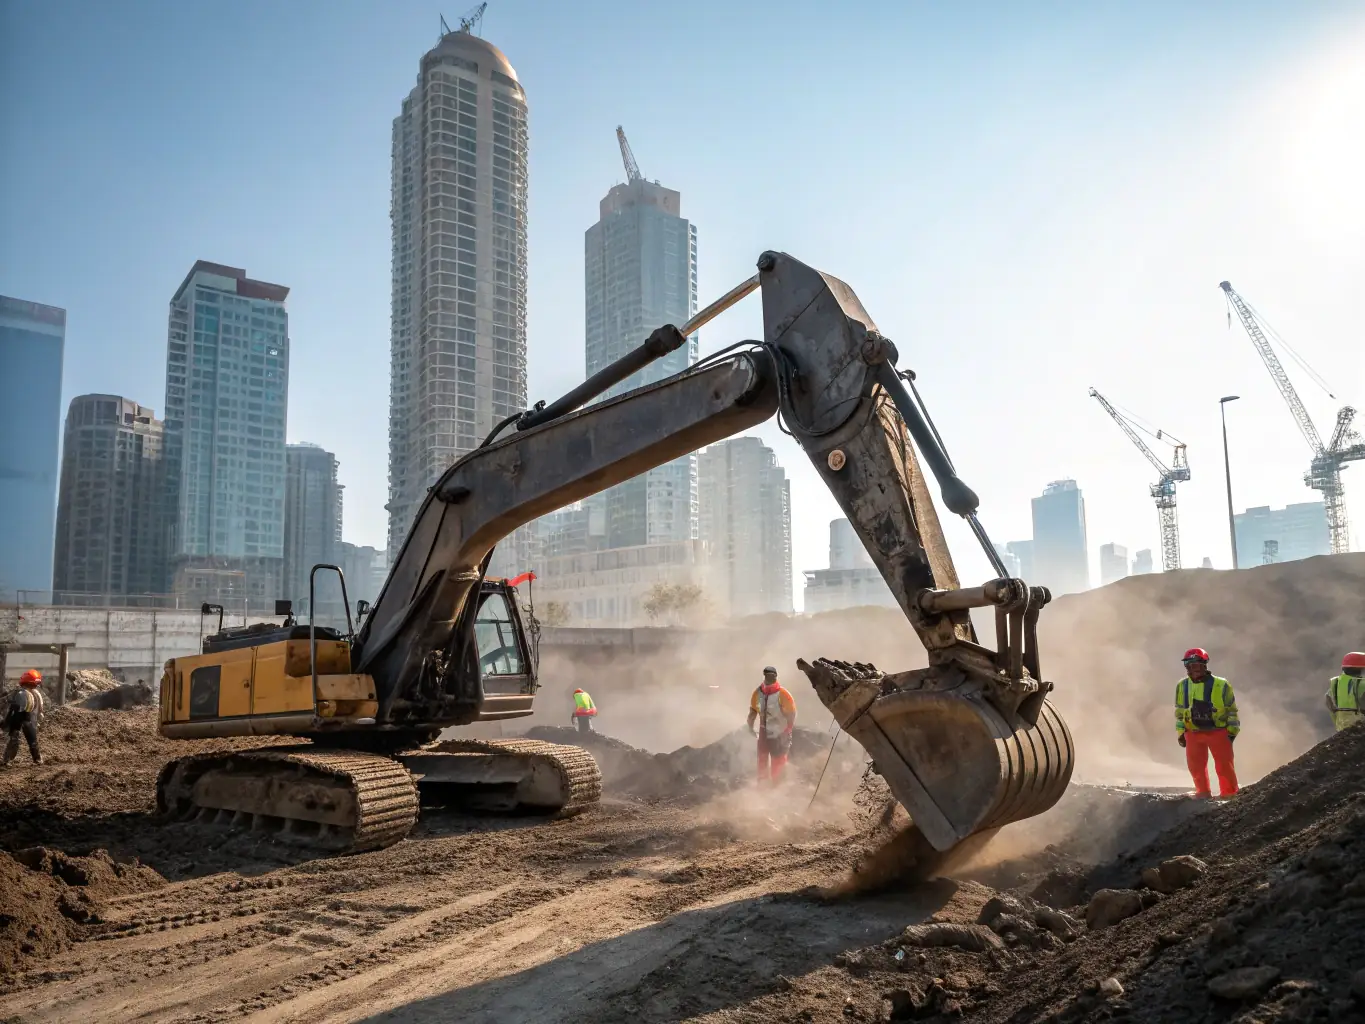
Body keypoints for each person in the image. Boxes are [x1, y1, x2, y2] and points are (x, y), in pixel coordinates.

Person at [1174, 648, 1239, 799]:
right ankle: (1203, 794)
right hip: (1193, 732)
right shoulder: (1182, 686)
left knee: (1224, 766)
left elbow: (1231, 709)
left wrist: (1232, 731)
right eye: (1189, 666)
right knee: (1195, 767)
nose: (1192, 670)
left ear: (1204, 665)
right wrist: (1181, 733)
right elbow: (1179, 711)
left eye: (1195, 666)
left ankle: (1229, 796)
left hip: (1218, 731)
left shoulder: (1222, 684)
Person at [747, 666, 797, 784]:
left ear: (775, 676)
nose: (769, 678)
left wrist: (788, 728)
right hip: (765, 732)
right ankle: (765, 786)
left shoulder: (783, 694)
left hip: (779, 732)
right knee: (764, 759)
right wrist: (750, 726)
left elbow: (792, 713)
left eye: (771, 675)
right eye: (768, 675)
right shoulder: (758, 693)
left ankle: (776, 786)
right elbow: (753, 712)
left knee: (777, 760)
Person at [3, 670, 45, 768]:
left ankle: (7, 760)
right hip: (29, 718)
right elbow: (40, 709)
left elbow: (15, 708)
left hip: (20, 718)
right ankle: (37, 759)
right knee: (32, 740)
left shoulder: (21, 693)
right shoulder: (36, 694)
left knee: (15, 739)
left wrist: (9, 720)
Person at [1325, 652, 1364, 732]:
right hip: (1360, 729)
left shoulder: (1334, 685)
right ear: (1360, 669)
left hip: (1341, 729)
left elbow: (1330, 706)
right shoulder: (1362, 684)